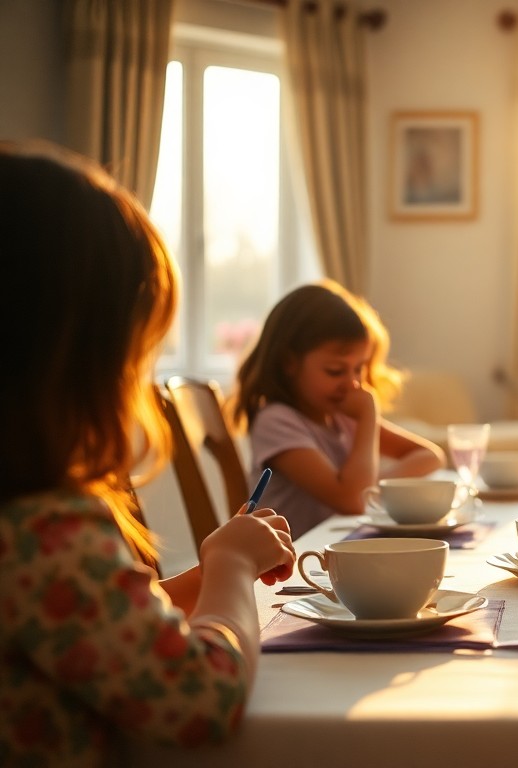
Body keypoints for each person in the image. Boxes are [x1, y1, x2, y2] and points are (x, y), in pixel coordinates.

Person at [0, 141, 297, 765]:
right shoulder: (43, 531)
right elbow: (203, 698)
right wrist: (234, 570)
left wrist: (205, 573)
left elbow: (94, 626)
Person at [230, 281, 446, 538]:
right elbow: (353, 501)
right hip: (292, 564)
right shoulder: (276, 422)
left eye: (358, 368)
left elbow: (430, 456)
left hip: (332, 548)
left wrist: (373, 487)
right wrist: (368, 416)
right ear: (289, 363)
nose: (352, 383)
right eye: (335, 370)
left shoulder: (340, 417)